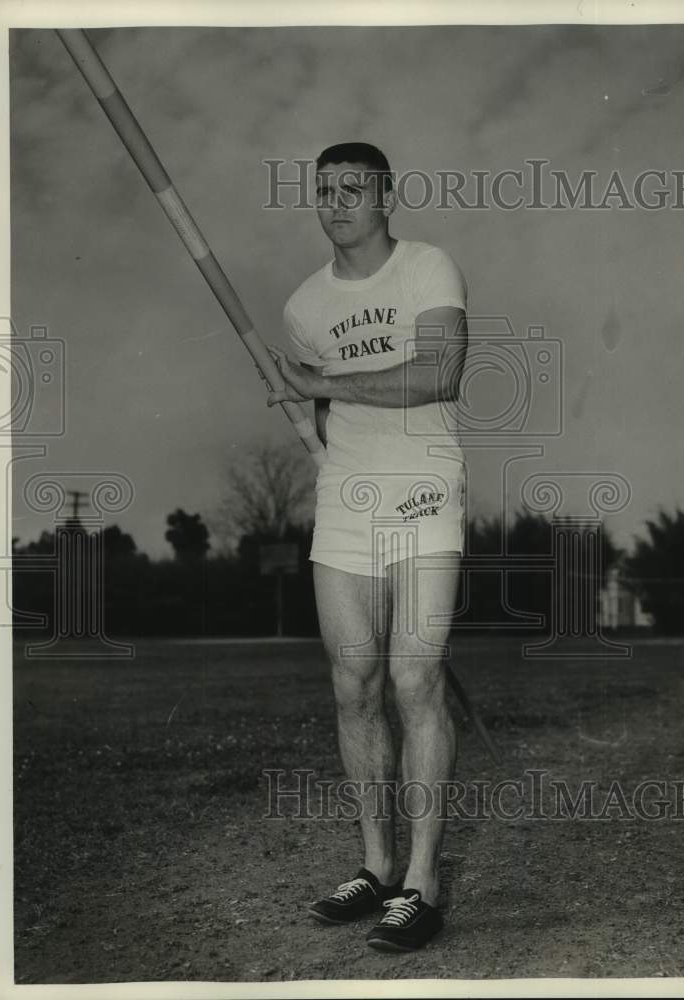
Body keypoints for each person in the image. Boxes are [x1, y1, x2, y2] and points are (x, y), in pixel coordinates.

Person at [266, 142, 468, 952]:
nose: (338, 200)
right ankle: (377, 867)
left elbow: (439, 373)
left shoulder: (427, 267)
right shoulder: (302, 307)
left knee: (414, 679)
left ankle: (422, 885)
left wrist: (324, 385)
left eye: (355, 187)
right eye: (325, 190)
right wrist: (312, 407)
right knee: (353, 684)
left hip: (424, 490)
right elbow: (322, 419)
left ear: (386, 194)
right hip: (344, 502)